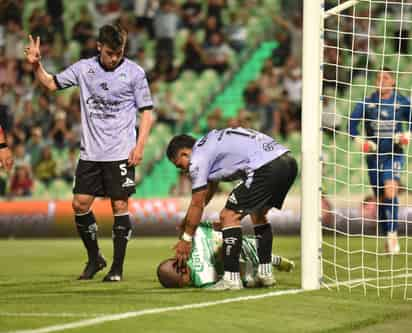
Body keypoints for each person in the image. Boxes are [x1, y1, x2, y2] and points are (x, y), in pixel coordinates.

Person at [24, 24, 155, 282]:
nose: (115, 58)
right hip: (91, 153)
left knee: (120, 205)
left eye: (119, 53)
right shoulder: (84, 69)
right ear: (99, 47)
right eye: (110, 53)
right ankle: (95, 258)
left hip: (120, 152)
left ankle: (117, 268)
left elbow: (147, 112)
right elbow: (51, 84)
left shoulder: (135, 73)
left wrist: (139, 146)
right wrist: (36, 65)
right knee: (79, 204)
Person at [166, 127, 297, 290]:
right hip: (287, 162)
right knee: (258, 215)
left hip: (265, 166)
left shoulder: (197, 158)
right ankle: (265, 273)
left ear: (185, 153)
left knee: (228, 216)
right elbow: (208, 192)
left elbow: (197, 202)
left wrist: (186, 239)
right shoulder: (209, 145)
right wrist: (187, 222)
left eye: (180, 165)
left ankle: (231, 279)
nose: (183, 170)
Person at [349, 68, 411, 254]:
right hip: (374, 157)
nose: (381, 80)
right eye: (378, 78)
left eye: (386, 77)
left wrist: (406, 135)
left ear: (393, 82)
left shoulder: (402, 102)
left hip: (394, 153)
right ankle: (387, 233)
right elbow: (351, 123)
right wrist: (360, 141)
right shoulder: (368, 102)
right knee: (381, 198)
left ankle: (392, 236)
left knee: (391, 189)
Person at [157, 220, 294, 288]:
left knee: (244, 279)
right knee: (229, 251)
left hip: (238, 260)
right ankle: (269, 260)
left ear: (181, 281)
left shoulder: (202, 280)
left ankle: (269, 262)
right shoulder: (194, 237)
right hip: (241, 240)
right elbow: (213, 224)